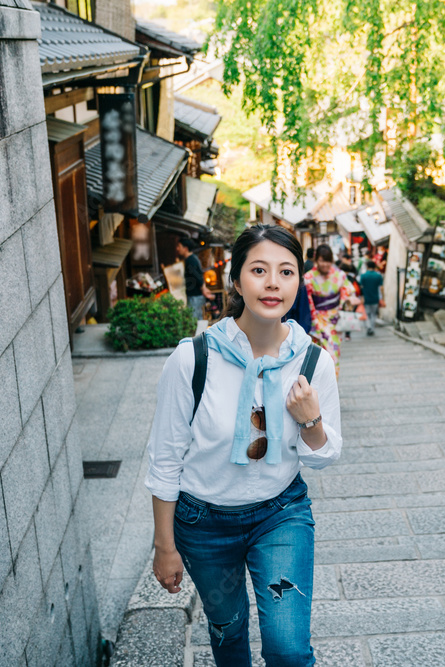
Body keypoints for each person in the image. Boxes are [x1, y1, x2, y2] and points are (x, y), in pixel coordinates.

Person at [146, 224, 342, 666]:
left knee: (289, 650)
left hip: (280, 513)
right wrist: (164, 545)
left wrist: (309, 419)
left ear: (298, 282)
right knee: (229, 636)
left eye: (286, 272)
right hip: (203, 524)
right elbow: (165, 458)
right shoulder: (192, 359)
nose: (273, 283)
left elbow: (326, 454)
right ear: (236, 280)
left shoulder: (313, 362)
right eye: (259, 270)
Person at [304, 245, 357, 371]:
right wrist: (313, 321)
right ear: (316, 260)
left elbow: (346, 291)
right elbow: (308, 301)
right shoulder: (309, 277)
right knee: (317, 358)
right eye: (322, 260)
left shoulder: (339, 275)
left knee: (333, 356)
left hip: (334, 319)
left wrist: (346, 301)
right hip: (316, 320)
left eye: (328, 261)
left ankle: (331, 386)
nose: (325, 264)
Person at [176, 237, 214, 319]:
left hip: (194, 296)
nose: (177, 248)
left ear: (185, 248)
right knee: (197, 319)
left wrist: (203, 288)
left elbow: (197, 276)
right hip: (196, 295)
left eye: (179, 246)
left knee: (194, 320)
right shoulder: (192, 259)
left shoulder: (190, 260)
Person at [358, 259, 385, 336]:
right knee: (373, 314)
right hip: (375, 298)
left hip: (366, 298)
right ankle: (372, 328)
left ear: (367, 266)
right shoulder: (378, 276)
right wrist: (382, 298)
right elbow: (381, 288)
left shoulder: (363, 276)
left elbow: (361, 287)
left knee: (367, 313)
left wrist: (362, 297)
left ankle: (369, 327)